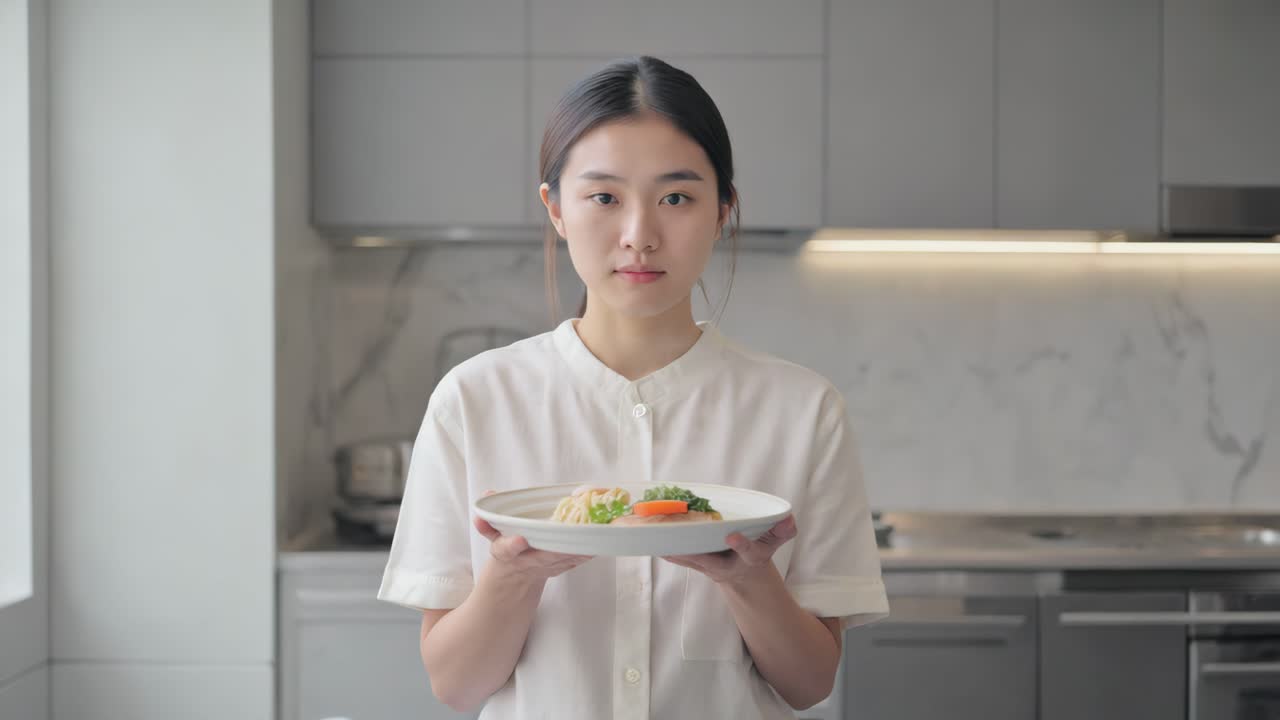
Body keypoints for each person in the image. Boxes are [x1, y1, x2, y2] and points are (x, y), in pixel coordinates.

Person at [377, 55, 888, 720]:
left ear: (722, 210)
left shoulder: (802, 410)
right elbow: (456, 687)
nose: (639, 236)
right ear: (555, 209)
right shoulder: (474, 400)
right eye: (604, 198)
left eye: (676, 198)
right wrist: (512, 576)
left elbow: (809, 683)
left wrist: (751, 582)